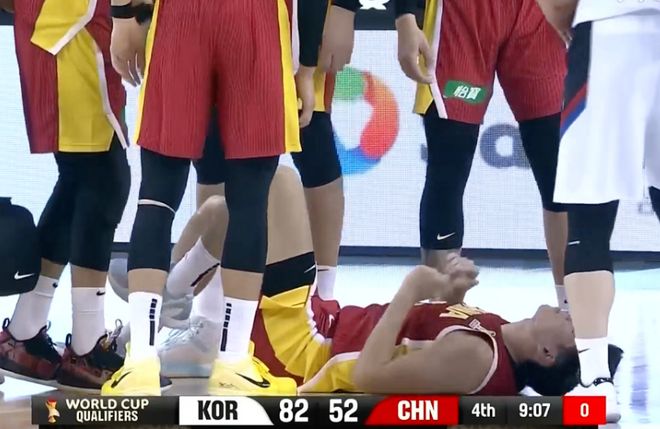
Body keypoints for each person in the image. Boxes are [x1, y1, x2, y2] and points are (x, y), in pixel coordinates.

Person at [114, 165, 623, 394]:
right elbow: (421, 332)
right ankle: (168, 310)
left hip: (303, 349)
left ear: (548, 355)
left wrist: (412, 289)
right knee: (222, 211)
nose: (571, 314)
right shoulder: (499, 334)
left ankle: (172, 307)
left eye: (575, 328)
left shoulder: (477, 359)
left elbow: (369, 378)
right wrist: (450, 292)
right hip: (323, 322)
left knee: (277, 182)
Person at [102, 0, 327, 396]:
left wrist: (122, 17)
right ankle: (233, 362)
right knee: (249, 201)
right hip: (256, 19)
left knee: (157, 195)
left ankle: (140, 363)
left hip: (180, 17)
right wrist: (307, 68)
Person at [393, 0, 570, 309]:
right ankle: (439, 314)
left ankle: (573, 314)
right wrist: (404, 16)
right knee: (449, 164)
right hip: (463, 13)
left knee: (558, 173)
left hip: (541, 12)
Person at [0, 0, 135, 392]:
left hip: (69, 24)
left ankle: (24, 332)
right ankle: (87, 347)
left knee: (80, 180)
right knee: (102, 179)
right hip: (70, 25)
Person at [536, 0, 660, 422]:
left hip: (610, 29)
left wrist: (562, 14)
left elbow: (557, 5)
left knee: (588, 216)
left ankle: (595, 381)